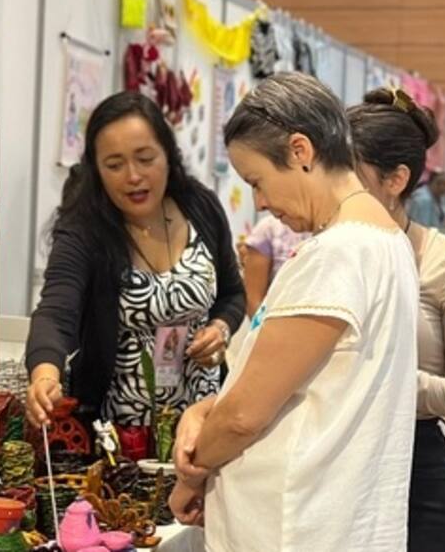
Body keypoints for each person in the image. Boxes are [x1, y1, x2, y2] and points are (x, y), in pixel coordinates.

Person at [170, 72, 418, 551]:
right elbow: (309, 386)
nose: (261, 202)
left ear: (301, 151)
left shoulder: (337, 252)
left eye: (258, 182)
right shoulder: (387, 239)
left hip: (295, 522)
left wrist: (192, 473)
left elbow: (245, 414)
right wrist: (205, 410)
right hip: (341, 518)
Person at [24, 92, 246, 451]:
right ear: (96, 169)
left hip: (202, 423)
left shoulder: (200, 206)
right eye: (114, 165)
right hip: (117, 439)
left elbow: (233, 295)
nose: (133, 176)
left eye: (146, 159)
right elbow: (55, 312)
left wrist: (220, 330)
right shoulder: (84, 230)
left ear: (168, 155)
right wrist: (45, 375)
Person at [350, 87, 445, 552]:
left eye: (350, 175)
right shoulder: (325, 253)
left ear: (396, 180)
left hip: (416, 465)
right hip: (338, 462)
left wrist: (392, 380)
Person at [242, 214, 309, 317]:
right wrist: (262, 330)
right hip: (277, 323)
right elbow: (253, 299)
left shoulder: (337, 227)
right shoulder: (268, 228)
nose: (261, 206)